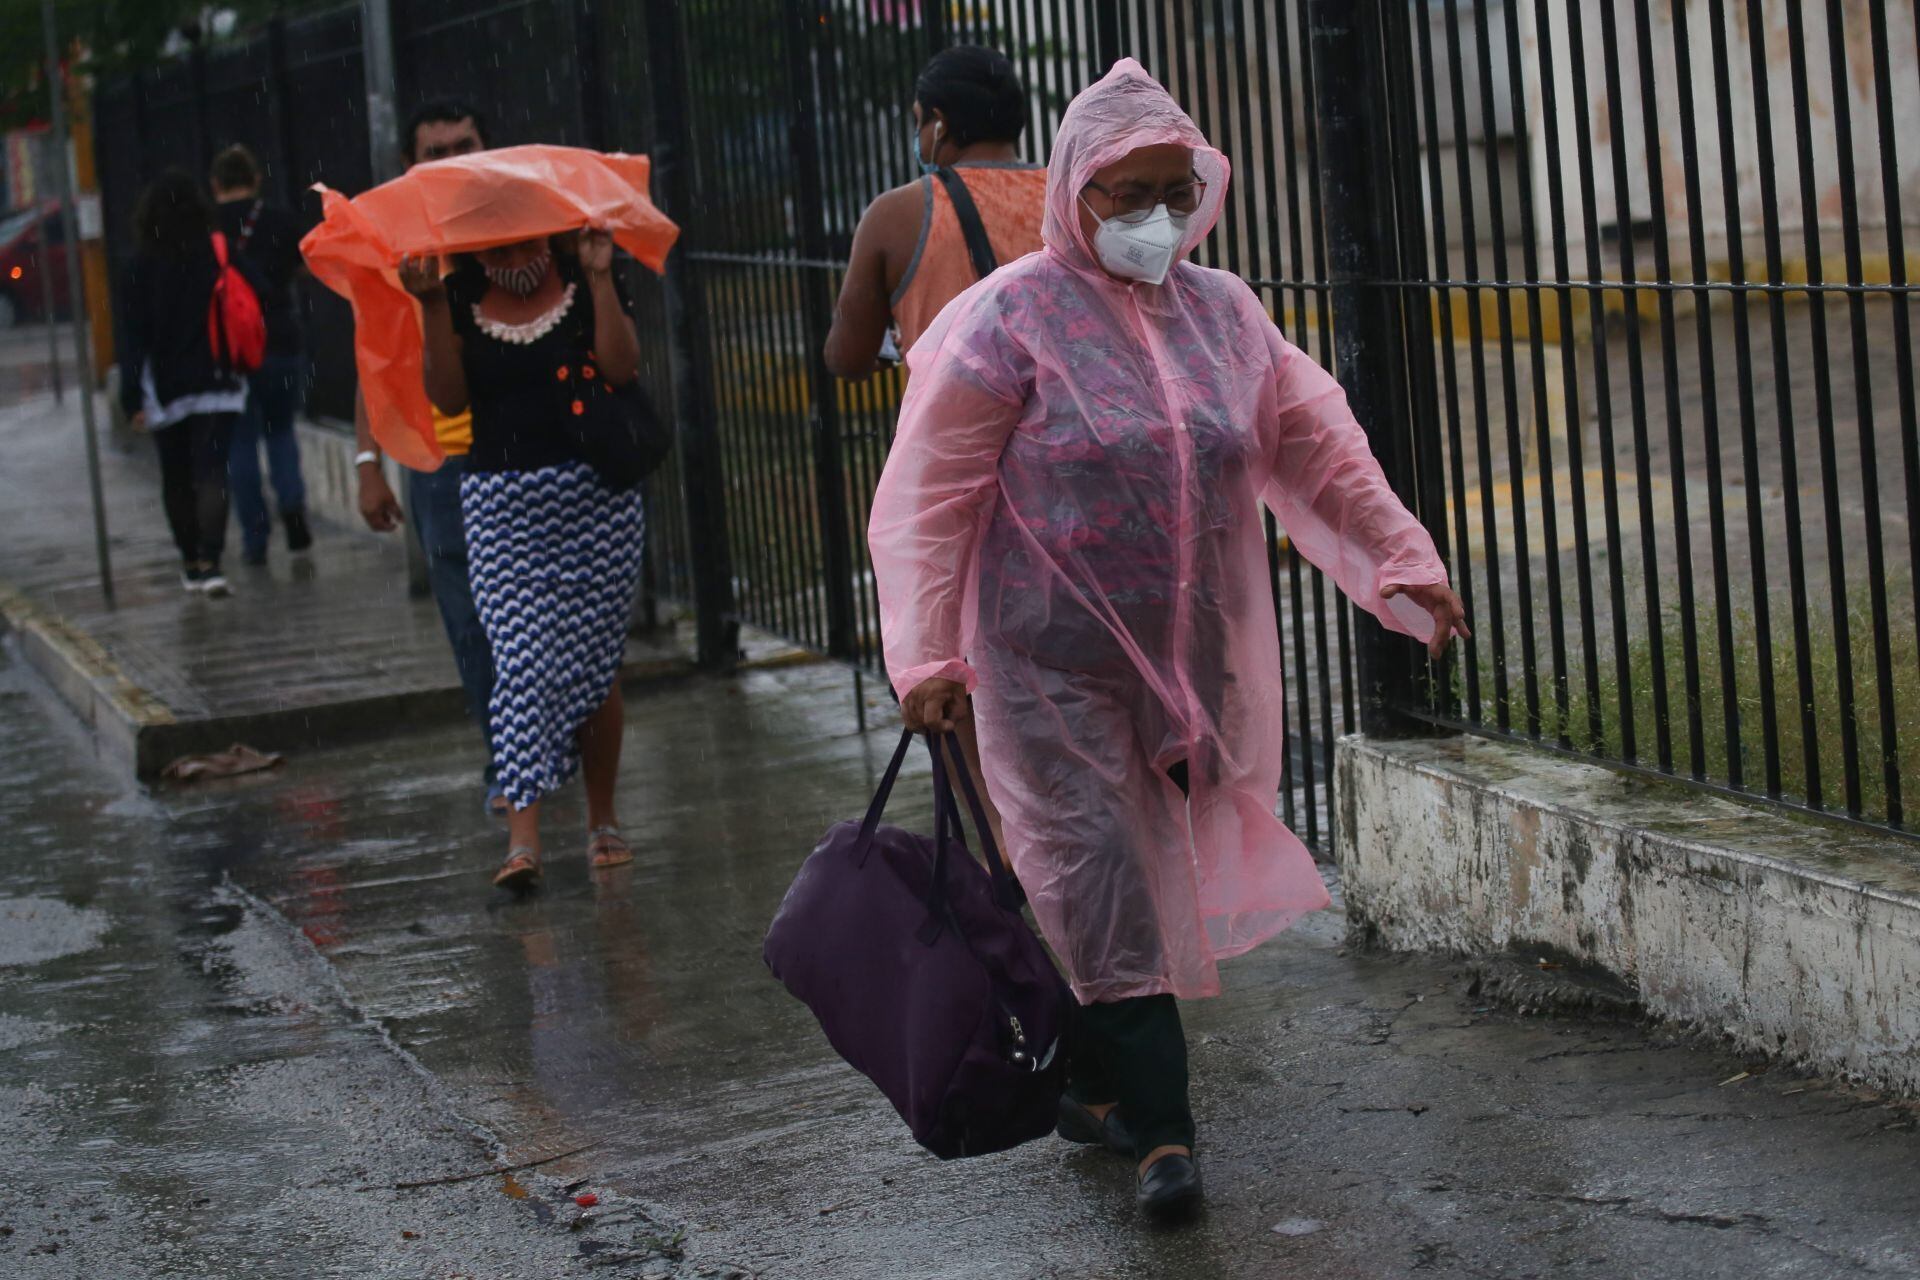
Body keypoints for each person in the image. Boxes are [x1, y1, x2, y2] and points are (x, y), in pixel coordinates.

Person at [867, 60, 1469, 1222]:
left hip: (1187, 650)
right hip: (1044, 661)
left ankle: (1094, 1088)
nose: (1154, 217)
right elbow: (929, 498)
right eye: (1125, 192)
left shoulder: (1225, 313)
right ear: (1072, 193)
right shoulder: (1008, 321)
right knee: (1096, 873)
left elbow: (1316, 443)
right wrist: (926, 654)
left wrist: (1404, 559)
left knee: (1135, 873)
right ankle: (1166, 1138)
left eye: (1172, 190)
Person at [399, 226, 644, 891]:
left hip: (596, 504)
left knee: (597, 664)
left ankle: (602, 818)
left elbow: (622, 369)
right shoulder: (456, 295)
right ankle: (523, 839)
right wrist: (427, 306)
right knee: (520, 661)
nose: (509, 261)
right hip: (501, 510)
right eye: (493, 250)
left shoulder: (586, 275)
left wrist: (598, 278)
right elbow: (447, 399)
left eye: (520, 247)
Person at [352, 100, 503, 815]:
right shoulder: (393, 237)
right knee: (471, 626)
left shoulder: (515, 215)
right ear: (412, 161)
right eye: (433, 149)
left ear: (484, 144)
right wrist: (365, 462)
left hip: (519, 448)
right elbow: (375, 355)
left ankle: (541, 749)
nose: (449, 157)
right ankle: (508, 762)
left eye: (462, 142)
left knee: (531, 617)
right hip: (440, 465)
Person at [824, 44, 1046, 378]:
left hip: (955, 426)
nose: (917, 136)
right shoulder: (1067, 196)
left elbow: (846, 358)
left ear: (939, 124)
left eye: (918, 121)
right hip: (1062, 425)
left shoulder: (895, 216)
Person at [118, 168, 251, 598]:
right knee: (212, 470)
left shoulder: (139, 264)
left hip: (167, 384)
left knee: (175, 475)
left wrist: (131, 393)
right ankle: (213, 561)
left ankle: (191, 562)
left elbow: (132, 334)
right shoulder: (216, 251)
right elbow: (260, 289)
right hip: (217, 377)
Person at [210, 143, 313, 564]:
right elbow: (305, 267)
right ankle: (292, 507)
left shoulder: (208, 229)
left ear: (215, 185)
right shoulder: (279, 219)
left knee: (239, 443)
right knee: (281, 431)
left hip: (231, 351)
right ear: (255, 179)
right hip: (280, 339)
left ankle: (255, 537)